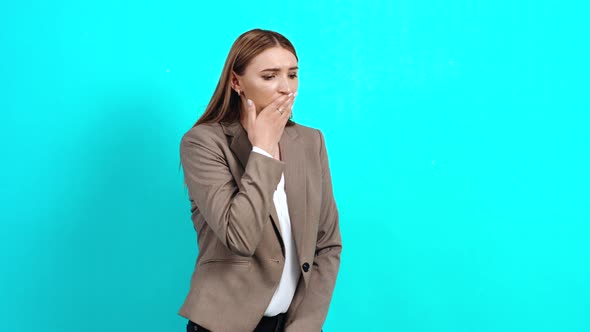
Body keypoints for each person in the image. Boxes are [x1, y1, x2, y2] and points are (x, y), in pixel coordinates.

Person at [178, 28, 342, 332]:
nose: (286, 88)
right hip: (222, 324)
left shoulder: (310, 142)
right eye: (270, 76)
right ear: (237, 82)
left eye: (292, 75)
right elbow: (240, 237)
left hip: (289, 325)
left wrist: (304, 325)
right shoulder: (203, 143)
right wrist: (263, 150)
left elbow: (327, 244)